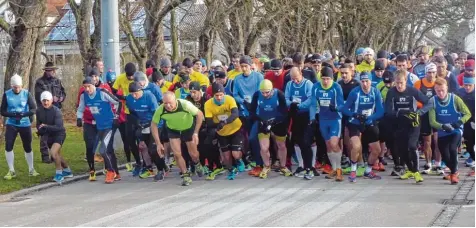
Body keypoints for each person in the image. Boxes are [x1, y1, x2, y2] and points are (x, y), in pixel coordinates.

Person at [150, 92, 205, 186]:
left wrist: (196, 132)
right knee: (176, 153)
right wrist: (158, 143)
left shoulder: (185, 104)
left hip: (188, 128)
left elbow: (199, 114)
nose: (167, 105)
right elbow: (153, 124)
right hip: (173, 130)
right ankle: (185, 175)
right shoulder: (161, 109)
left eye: (170, 102)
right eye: (165, 103)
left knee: (193, 154)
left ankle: (197, 163)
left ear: (175, 100)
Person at [384, 70, 430, 183]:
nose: (399, 86)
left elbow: (428, 102)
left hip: (413, 122)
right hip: (399, 123)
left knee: (412, 146)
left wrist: (419, 113)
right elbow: (388, 111)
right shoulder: (391, 92)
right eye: (397, 83)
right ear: (394, 82)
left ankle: (417, 172)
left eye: (402, 83)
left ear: (406, 81)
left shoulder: (412, 90)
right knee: (402, 150)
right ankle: (410, 170)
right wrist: (399, 113)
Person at [77, 77, 122, 183]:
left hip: (109, 125)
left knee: (103, 150)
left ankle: (111, 171)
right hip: (99, 126)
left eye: (89, 86)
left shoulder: (102, 92)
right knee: (109, 150)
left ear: (94, 85)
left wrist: (116, 116)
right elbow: (80, 109)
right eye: (85, 87)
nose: (87, 89)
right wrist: (79, 118)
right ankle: (117, 173)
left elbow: (118, 102)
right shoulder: (84, 96)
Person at [341, 73, 384, 182]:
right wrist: (354, 114)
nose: (364, 84)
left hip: (369, 122)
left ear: (371, 81)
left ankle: (368, 171)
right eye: (362, 82)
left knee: (377, 150)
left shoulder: (375, 92)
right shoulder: (355, 92)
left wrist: (370, 117)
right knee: (356, 146)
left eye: (367, 81)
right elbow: (345, 109)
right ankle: (353, 171)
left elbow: (380, 111)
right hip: (355, 122)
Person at [429, 78, 472, 184]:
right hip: (443, 131)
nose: (441, 93)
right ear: (435, 90)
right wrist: (442, 126)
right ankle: (454, 170)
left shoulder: (455, 99)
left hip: (455, 130)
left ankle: (453, 175)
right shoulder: (432, 101)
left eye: (443, 90)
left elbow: (467, 113)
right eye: (438, 91)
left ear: (447, 88)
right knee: (445, 157)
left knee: (453, 148)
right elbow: (432, 121)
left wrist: (459, 122)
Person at [249, 79, 292, 178]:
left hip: (278, 122)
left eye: (267, 92)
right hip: (263, 122)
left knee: (281, 145)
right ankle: (267, 166)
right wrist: (260, 120)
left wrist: (274, 120)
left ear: (272, 90)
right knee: (264, 148)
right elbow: (252, 111)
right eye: (262, 92)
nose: (264, 95)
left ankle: (283, 166)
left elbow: (285, 112)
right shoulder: (256, 95)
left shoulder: (279, 94)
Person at [126, 82, 168, 181]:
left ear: (141, 91)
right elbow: (132, 113)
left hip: (155, 124)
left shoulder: (149, 96)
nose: (134, 96)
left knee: (153, 148)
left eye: (136, 93)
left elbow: (157, 113)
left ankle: (161, 170)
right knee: (144, 148)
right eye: (132, 94)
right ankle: (154, 167)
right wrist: (137, 123)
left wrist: (149, 123)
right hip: (142, 125)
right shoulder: (129, 99)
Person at [0, 74, 38, 179]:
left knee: (27, 146)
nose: (17, 89)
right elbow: (2, 111)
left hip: (25, 123)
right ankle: (11, 170)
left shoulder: (26, 94)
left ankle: (31, 169)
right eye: (15, 87)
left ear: (21, 86)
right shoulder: (7, 94)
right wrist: (12, 115)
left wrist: (23, 114)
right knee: (8, 146)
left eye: (19, 87)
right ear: (12, 86)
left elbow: (33, 109)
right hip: (11, 123)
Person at [310, 67, 345, 181]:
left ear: (332, 78)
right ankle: (334, 169)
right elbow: (312, 104)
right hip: (323, 119)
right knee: (328, 145)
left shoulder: (336, 87)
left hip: (335, 119)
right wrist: (312, 118)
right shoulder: (316, 87)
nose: (325, 82)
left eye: (328, 79)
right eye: (323, 79)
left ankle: (339, 170)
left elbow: (341, 104)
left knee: (334, 143)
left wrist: (336, 108)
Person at [205, 83, 244, 180]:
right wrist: (218, 125)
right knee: (226, 156)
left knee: (235, 154)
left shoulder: (229, 99)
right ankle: (231, 170)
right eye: (216, 95)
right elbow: (209, 122)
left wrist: (225, 122)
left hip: (235, 128)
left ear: (224, 93)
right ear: (212, 95)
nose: (219, 97)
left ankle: (239, 160)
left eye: (221, 95)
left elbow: (235, 114)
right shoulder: (208, 104)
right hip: (221, 132)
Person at [186, 82, 224, 180]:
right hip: (195, 126)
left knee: (207, 142)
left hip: (209, 124)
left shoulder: (207, 98)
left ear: (200, 91)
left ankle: (216, 165)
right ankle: (199, 165)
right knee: (191, 143)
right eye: (191, 92)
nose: (192, 95)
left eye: (194, 92)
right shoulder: (188, 99)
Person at [233, 55, 264, 172]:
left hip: (258, 112)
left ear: (251, 66)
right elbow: (235, 94)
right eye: (242, 66)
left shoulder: (258, 77)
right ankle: (256, 162)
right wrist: (243, 101)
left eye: (246, 66)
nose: (244, 69)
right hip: (245, 112)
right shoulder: (237, 79)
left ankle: (261, 163)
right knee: (249, 139)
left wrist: (254, 101)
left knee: (253, 138)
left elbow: (263, 92)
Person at [112, 62, 143, 175]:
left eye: (132, 75)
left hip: (140, 113)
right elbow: (113, 91)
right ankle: (138, 162)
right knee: (130, 140)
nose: (130, 77)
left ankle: (147, 163)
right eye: (128, 75)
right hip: (128, 113)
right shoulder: (120, 78)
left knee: (142, 139)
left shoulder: (139, 77)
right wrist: (122, 97)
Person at [76, 69, 111, 166]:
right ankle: (91, 167)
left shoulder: (104, 88)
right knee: (90, 143)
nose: (94, 78)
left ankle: (109, 168)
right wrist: (79, 117)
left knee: (105, 145)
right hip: (89, 121)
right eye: (92, 76)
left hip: (102, 121)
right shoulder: (83, 91)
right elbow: (80, 105)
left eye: (96, 76)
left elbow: (112, 103)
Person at [36, 91, 72, 184]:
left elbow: (59, 127)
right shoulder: (39, 111)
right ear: (41, 101)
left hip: (59, 134)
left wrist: (46, 126)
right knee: (57, 155)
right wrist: (40, 131)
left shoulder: (56, 111)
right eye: (44, 100)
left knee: (53, 153)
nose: (46, 103)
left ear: (51, 100)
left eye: (47, 100)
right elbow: (38, 125)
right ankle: (67, 171)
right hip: (49, 135)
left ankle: (59, 174)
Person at [34, 62, 66, 163]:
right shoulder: (40, 82)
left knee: (56, 132)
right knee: (44, 133)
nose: (50, 72)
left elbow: (63, 92)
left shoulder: (58, 81)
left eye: (52, 70)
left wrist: (61, 98)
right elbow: (39, 96)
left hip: (56, 109)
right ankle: (45, 157)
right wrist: (51, 98)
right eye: (48, 70)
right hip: (44, 110)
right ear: (45, 71)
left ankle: (55, 155)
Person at [285, 66, 314, 179]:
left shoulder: (308, 84)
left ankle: (309, 168)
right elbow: (287, 98)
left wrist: (299, 105)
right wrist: (291, 104)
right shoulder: (289, 84)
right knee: (298, 142)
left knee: (306, 142)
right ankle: (303, 166)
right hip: (295, 116)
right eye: (292, 78)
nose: (295, 81)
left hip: (306, 115)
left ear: (301, 73)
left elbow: (311, 99)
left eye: (296, 78)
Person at [456, 76, 475, 176]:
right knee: (469, 145)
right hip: (465, 122)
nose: (467, 87)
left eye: (470, 85)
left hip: (474, 120)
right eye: (465, 85)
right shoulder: (460, 93)